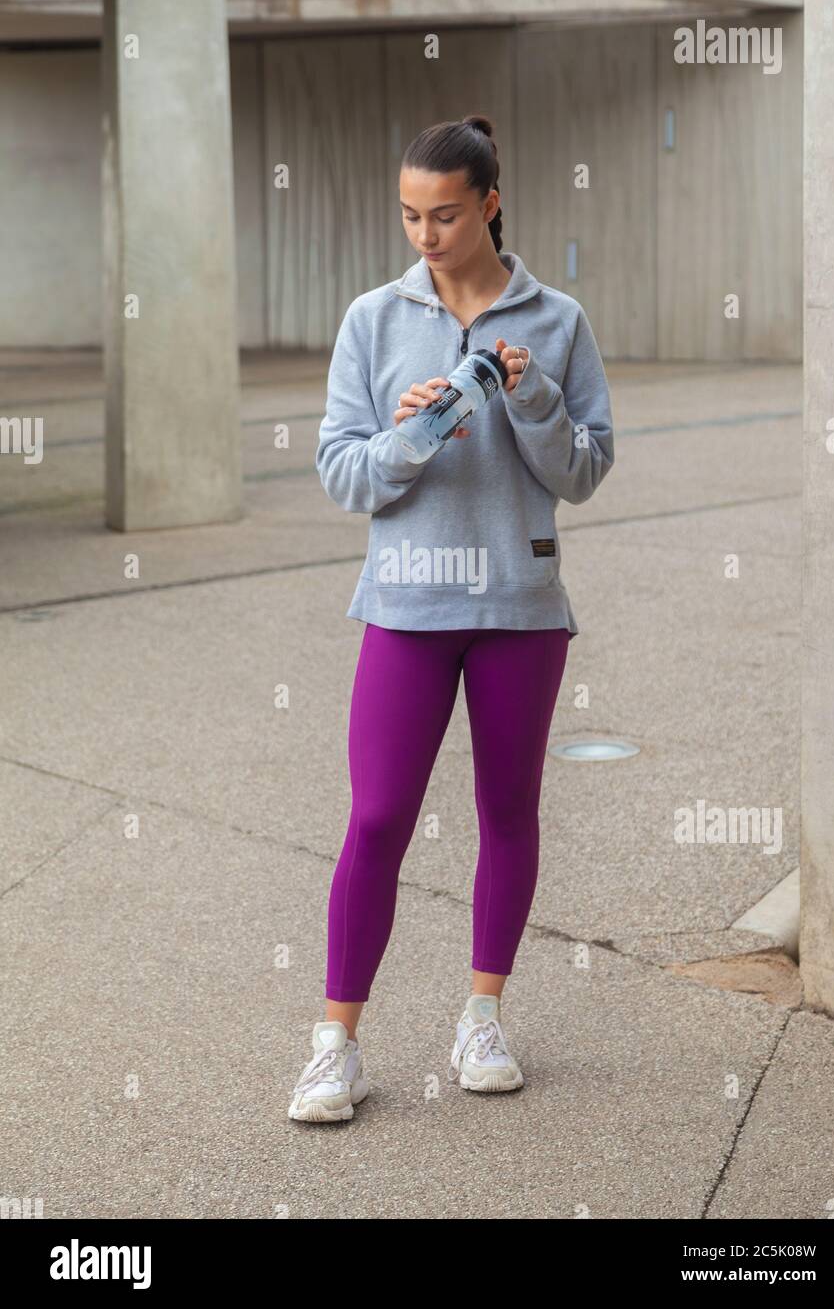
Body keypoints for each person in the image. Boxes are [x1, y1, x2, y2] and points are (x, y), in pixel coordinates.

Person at [288, 114, 615, 1123]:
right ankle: (335, 1041)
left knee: (506, 814)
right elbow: (344, 473)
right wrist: (408, 436)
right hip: (406, 604)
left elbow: (584, 469)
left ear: (489, 201)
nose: (423, 234)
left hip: (519, 606)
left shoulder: (554, 318)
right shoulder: (371, 320)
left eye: (442, 214)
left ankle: (482, 1013)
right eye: (407, 215)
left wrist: (532, 398)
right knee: (378, 815)